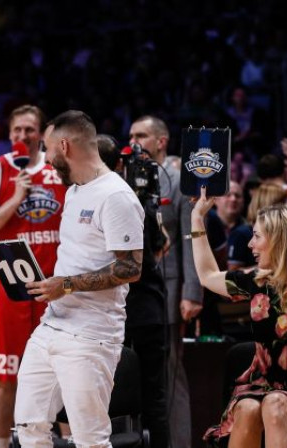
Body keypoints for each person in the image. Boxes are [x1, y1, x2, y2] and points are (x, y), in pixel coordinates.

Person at [14, 110, 144, 447]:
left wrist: (67, 284)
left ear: (65, 146)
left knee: (90, 438)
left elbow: (131, 269)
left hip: (92, 334)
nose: (45, 157)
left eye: (47, 149)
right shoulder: (74, 191)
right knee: (28, 426)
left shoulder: (117, 196)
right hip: (52, 324)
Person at [0, 105, 67, 448]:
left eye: (29, 130)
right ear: (9, 134)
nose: (22, 136)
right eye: (16, 131)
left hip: (56, 288)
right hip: (10, 285)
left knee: (63, 374)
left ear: (42, 134)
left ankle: (66, 442)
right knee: (5, 376)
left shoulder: (60, 168)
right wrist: (14, 199)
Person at [191, 187, 287, 447]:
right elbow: (207, 276)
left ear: (279, 239)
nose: (250, 244)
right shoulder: (257, 280)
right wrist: (196, 219)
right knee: (248, 408)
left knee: (275, 403)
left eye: (257, 236)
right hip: (262, 386)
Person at [128, 114, 201, 448]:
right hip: (132, 295)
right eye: (130, 135)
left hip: (171, 290)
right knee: (136, 377)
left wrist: (192, 293)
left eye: (141, 135)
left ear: (161, 141)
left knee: (171, 377)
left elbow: (189, 239)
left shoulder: (178, 179)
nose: (134, 141)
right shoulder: (124, 179)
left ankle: (179, 444)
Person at [97, 134, 170, 447]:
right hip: (145, 307)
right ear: (119, 163)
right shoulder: (133, 196)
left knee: (108, 395)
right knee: (153, 396)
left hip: (125, 308)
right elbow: (162, 244)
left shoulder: (108, 199)